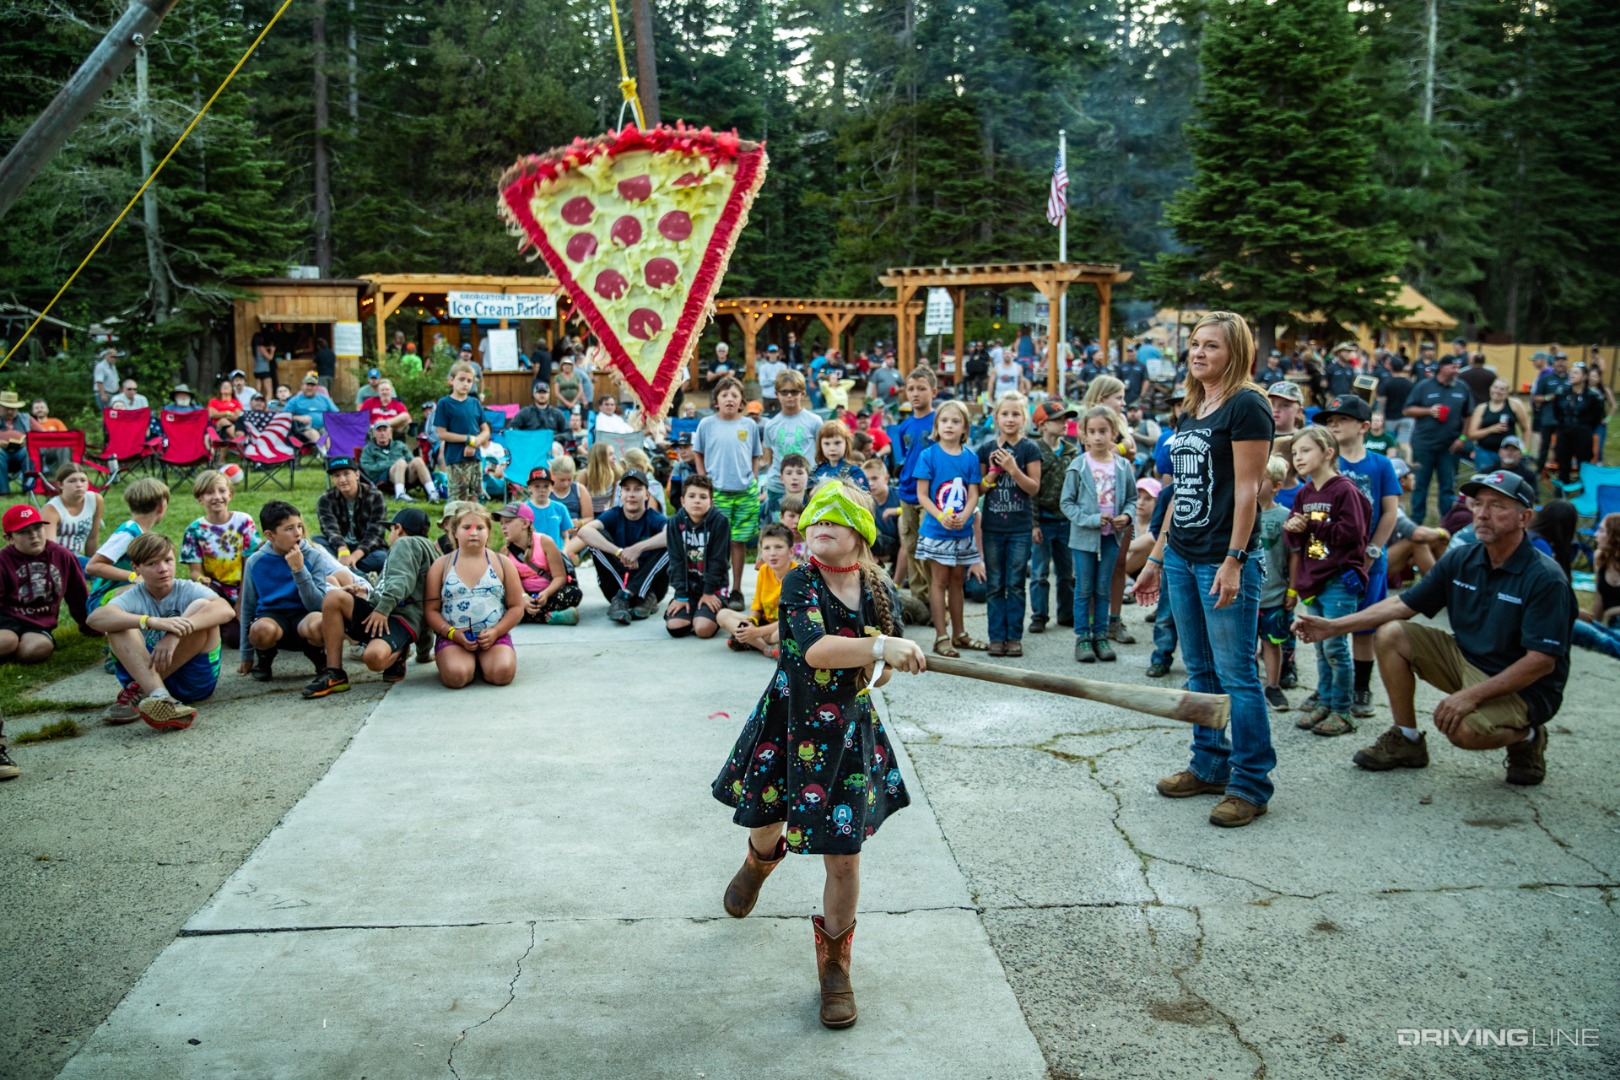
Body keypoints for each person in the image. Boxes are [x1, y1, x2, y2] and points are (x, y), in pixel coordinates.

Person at [711, 480, 925, 1030]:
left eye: (836, 520)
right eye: (815, 520)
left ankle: (834, 964)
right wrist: (880, 647)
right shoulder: (800, 581)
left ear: (860, 535)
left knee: (844, 854)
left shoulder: (879, 589)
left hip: (847, 737)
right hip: (789, 723)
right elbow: (815, 649)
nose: (820, 527)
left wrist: (885, 661)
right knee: (766, 820)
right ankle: (761, 860)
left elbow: (881, 667)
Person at [1295, 471, 1572, 787]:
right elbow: (1402, 605)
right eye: (1478, 503)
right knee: (1392, 633)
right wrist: (1334, 626)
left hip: (1525, 686)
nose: (1482, 514)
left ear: (1525, 517)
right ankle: (1408, 738)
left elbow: (1541, 661)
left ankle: (1529, 736)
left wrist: (1469, 697)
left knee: (1463, 731)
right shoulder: (1463, 558)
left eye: (1497, 506)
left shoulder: (1545, 578)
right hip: (1468, 660)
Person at [1134, 311, 1276, 829]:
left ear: (1235, 352)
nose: (1198, 353)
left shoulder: (1248, 405)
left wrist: (1235, 561)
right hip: (1181, 555)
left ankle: (1251, 782)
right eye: (1194, 344)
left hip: (1223, 556)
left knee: (1238, 674)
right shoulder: (1194, 407)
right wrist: (1155, 555)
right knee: (1200, 671)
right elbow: (1178, 492)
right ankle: (1210, 763)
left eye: (1211, 346)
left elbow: (1248, 491)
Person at [86, 533, 233, 730]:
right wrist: (151, 621)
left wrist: (174, 634)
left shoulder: (188, 589)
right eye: (152, 563)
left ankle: (145, 690)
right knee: (118, 625)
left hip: (191, 682)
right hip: (147, 678)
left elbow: (226, 610)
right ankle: (160, 695)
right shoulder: (133, 596)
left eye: (168, 560)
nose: (163, 569)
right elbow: (95, 619)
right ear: (136, 568)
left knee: (201, 607)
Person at [1316, 394, 1401, 721]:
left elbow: (1390, 513)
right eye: (1329, 420)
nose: (1333, 424)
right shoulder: (1325, 461)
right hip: (1328, 562)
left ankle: (1360, 688)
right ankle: (1331, 686)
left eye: (1342, 420)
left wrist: (1373, 550)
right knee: (1328, 625)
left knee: (1363, 629)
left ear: (1364, 426)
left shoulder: (1380, 465)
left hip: (1367, 562)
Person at [1283, 426, 1371, 737]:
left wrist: (1312, 527)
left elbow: (1353, 534)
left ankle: (1342, 710)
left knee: (1335, 646)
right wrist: (1293, 526)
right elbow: (1294, 533)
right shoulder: (1305, 493)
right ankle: (1325, 700)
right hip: (1312, 578)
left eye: (1305, 451)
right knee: (1319, 647)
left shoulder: (1344, 490)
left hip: (1338, 579)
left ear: (1328, 453)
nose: (1298, 458)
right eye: (1295, 453)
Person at [238, 500, 355, 682]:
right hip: (272, 615)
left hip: (305, 615)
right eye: (289, 528)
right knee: (260, 630)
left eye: (299, 526)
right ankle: (265, 657)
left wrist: (299, 570)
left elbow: (317, 603)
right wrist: (246, 654)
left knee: (322, 624)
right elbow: (248, 605)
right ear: (270, 535)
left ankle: (317, 655)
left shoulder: (313, 556)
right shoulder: (255, 561)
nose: (298, 533)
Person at [1063, 406, 1137, 663]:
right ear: (1083, 435)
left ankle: (1101, 635)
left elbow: (1131, 499)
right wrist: (1093, 519)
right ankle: (1083, 637)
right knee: (1084, 588)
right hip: (1084, 538)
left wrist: (1126, 517)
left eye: (1103, 431)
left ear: (1113, 433)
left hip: (1111, 538)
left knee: (1103, 588)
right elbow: (1067, 503)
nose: (1097, 437)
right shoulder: (1078, 465)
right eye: (1092, 432)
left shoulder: (1122, 466)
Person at [914, 399, 985, 656]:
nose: (949, 425)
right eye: (944, 420)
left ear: (964, 427)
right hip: (937, 531)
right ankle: (941, 636)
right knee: (939, 581)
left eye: (955, 421)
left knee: (958, 581)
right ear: (937, 425)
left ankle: (960, 633)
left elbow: (974, 494)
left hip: (962, 532)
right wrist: (941, 515)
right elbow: (922, 494)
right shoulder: (928, 455)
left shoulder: (970, 457)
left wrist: (965, 516)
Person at [425, 503, 523, 688]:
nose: (473, 532)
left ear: (488, 532)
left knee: (502, 674)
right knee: (456, 677)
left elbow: (517, 607)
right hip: (454, 637)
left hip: (494, 637)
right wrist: (452, 634)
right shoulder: (441, 565)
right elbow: (431, 610)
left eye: (480, 527)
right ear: (454, 531)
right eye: (466, 527)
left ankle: (486, 662)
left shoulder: (503, 563)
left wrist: (495, 632)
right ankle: (464, 662)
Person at [975, 392, 1041, 657]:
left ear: (1024, 418)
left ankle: (1014, 636)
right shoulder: (985, 449)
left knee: (1014, 582)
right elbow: (979, 489)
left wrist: (1014, 469)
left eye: (1016, 414)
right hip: (992, 528)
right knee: (995, 583)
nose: (1010, 419)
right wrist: (993, 471)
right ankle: (996, 636)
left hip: (1019, 528)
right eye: (1005, 414)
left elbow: (1034, 488)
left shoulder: (1030, 449)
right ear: (996, 418)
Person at [693, 376, 762, 608]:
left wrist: (752, 477)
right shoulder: (707, 424)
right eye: (724, 395)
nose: (729, 399)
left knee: (738, 542)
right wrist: (703, 478)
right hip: (718, 491)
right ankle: (717, 587)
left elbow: (755, 454)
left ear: (742, 400)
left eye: (734, 395)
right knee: (717, 542)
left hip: (744, 491)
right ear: (716, 401)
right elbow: (698, 452)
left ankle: (736, 590)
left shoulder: (749, 425)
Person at [0, 503, 93, 666]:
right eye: (24, 532)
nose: (33, 535)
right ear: (8, 538)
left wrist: (90, 626)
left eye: (37, 528)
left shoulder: (62, 555)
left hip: (38, 622)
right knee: (7, 641)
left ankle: (9, 657)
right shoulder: (3, 561)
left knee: (38, 648)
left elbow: (78, 595)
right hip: (6, 619)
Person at [575, 468, 670, 622]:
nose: (631, 494)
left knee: (670, 542)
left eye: (637, 489)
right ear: (620, 494)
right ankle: (630, 597)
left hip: (652, 585)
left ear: (647, 494)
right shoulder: (614, 514)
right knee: (597, 537)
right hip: (615, 584)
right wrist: (619, 552)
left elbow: (674, 534)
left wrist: (638, 548)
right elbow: (584, 532)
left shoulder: (653, 517)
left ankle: (629, 594)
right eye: (626, 489)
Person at [179, 469, 258, 650]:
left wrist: (241, 603)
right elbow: (195, 571)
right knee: (234, 638)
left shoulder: (244, 521)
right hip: (216, 590)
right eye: (209, 492)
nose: (217, 497)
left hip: (245, 585)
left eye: (222, 491)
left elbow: (251, 564)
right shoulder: (194, 530)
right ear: (200, 499)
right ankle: (218, 622)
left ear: (230, 494)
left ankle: (227, 620)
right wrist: (200, 579)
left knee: (245, 636)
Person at [1404, 354, 1474, 524]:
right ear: (1442, 368)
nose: (1457, 371)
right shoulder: (1424, 386)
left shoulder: (1462, 388)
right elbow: (1407, 410)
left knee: (1447, 486)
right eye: (1453, 367)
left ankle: (1447, 522)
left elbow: (1469, 415)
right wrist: (1428, 411)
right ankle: (1416, 521)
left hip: (1450, 447)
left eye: (1458, 367)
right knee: (1421, 484)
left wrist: (1463, 438)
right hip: (1424, 445)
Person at [892, 367, 939, 623]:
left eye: (921, 388)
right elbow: (904, 458)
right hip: (906, 491)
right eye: (911, 389)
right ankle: (920, 603)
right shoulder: (904, 426)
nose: (916, 393)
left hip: (930, 494)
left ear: (933, 391)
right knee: (911, 546)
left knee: (928, 548)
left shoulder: (938, 421)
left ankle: (936, 601)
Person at [85, 476, 170, 610]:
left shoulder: (141, 534)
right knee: (145, 590)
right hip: (101, 602)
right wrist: (133, 576)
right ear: (161, 507)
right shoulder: (128, 533)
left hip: (121, 596)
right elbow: (92, 566)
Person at [1029, 401, 1077, 635]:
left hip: (1067, 520)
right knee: (1039, 573)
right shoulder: (1034, 452)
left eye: (1064, 419)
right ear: (1042, 424)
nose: (1064, 423)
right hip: (1044, 520)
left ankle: (1066, 614)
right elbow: (1032, 493)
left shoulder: (1072, 451)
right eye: (1058, 419)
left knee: (1066, 572)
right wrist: (1034, 523)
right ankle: (1039, 615)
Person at [664, 475, 732, 638]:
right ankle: (695, 610)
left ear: (711, 501)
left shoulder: (720, 522)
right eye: (692, 496)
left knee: (703, 629)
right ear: (682, 501)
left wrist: (709, 592)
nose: (697, 501)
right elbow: (676, 561)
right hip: (689, 588)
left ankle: (710, 611)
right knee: (675, 627)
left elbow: (719, 561)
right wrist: (680, 595)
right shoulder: (674, 523)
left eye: (703, 497)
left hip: (713, 588)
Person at [496, 502, 581, 625]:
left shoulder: (545, 542)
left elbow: (560, 577)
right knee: (501, 602)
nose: (503, 527)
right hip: (523, 596)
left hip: (548, 594)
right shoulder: (505, 551)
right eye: (501, 523)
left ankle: (525, 616)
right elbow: (512, 582)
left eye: (508, 521)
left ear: (525, 523)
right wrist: (524, 597)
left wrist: (546, 594)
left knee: (573, 593)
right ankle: (549, 617)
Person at [1255, 456, 1292, 710]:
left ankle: (1273, 686)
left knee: (1272, 643)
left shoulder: (1285, 518)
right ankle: (1248, 688)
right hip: (1245, 595)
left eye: (1261, 478)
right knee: (1243, 646)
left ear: (1276, 486)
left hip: (1274, 594)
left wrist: (1293, 589)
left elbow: (1297, 556)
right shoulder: (1240, 511)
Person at [314, 457, 390, 574]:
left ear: (357, 475)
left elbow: (375, 534)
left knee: (382, 559)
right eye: (336, 476)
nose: (342, 479)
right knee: (315, 543)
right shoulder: (325, 500)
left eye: (346, 474)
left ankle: (339, 570)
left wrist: (354, 557)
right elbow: (330, 530)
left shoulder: (375, 497)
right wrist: (343, 551)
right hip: (339, 548)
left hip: (366, 550)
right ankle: (361, 575)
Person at [435, 361, 491, 503]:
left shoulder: (475, 403)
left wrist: (475, 442)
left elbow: (485, 430)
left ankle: (472, 524)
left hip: (475, 457)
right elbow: (442, 433)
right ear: (451, 380)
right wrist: (468, 439)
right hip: (456, 458)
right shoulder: (444, 403)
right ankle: (454, 523)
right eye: (461, 379)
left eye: (469, 381)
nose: (465, 384)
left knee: (474, 496)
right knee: (458, 499)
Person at [1550, 364, 1608, 486]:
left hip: (1583, 433)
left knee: (1584, 462)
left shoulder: (1593, 395)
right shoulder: (1562, 392)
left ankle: (1585, 488)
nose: (1572, 375)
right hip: (1564, 433)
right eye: (1571, 372)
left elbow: (1597, 416)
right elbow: (1556, 412)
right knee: (1563, 461)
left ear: (1584, 376)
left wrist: (1584, 428)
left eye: (1576, 373)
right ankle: (1562, 488)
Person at [1575, 513, 1620, 659]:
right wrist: (1595, 622)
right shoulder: (1600, 558)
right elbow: (1599, 597)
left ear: (1615, 536)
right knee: (1574, 625)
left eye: (1601, 531)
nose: (1595, 535)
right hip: (1611, 627)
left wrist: (1612, 611)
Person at [41, 461, 103, 565]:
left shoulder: (95, 500)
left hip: (78, 557)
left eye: (83, 480)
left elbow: (93, 536)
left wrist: (93, 565)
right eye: (72, 481)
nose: (79, 485)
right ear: (60, 484)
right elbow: (50, 548)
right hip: (58, 561)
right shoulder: (51, 510)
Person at [363, 420, 439, 501]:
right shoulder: (368, 449)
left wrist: (405, 466)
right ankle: (400, 494)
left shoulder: (399, 445)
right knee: (400, 462)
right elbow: (367, 468)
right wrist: (388, 464)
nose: (382, 433)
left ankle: (432, 493)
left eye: (385, 430)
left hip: (406, 474)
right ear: (374, 433)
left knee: (417, 460)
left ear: (390, 432)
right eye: (379, 430)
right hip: (385, 478)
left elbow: (411, 460)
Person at [1465, 378, 1531, 471]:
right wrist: (1491, 429)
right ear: (1490, 389)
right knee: (1487, 481)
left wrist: (1524, 450)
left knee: (1508, 481)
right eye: (1495, 387)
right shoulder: (1482, 408)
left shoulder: (1514, 405)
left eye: (1502, 389)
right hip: (1486, 452)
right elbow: (1472, 434)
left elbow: (1526, 429)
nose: (1498, 391)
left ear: (1507, 392)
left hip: (1509, 452)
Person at [519, 466, 573, 548]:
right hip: (533, 554)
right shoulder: (524, 509)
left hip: (556, 554)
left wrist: (564, 554)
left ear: (552, 487)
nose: (542, 490)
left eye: (546, 486)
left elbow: (566, 537)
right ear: (529, 488)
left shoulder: (560, 508)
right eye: (537, 486)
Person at [811, 419, 869, 492]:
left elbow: (866, 499)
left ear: (846, 443)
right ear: (820, 445)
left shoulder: (854, 472)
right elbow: (806, 501)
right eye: (827, 443)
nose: (832, 448)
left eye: (837, 443)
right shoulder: (815, 472)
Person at [0, 390, 36, 494]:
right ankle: (3, 492)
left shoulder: (26, 418)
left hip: (22, 453)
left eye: (13, 408)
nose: (10, 411)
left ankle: (29, 489)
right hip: (2, 455)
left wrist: (28, 441)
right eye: (7, 408)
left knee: (29, 452)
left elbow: (42, 435)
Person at [285, 374, 339, 441]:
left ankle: (324, 450)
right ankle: (321, 449)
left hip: (324, 428)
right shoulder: (294, 401)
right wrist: (298, 418)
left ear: (316, 387)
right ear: (302, 386)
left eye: (312, 385)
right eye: (307, 385)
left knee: (328, 436)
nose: (310, 388)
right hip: (304, 429)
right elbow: (284, 417)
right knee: (314, 434)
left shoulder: (324, 399)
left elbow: (337, 414)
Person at [207, 378, 242, 445]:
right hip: (216, 427)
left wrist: (219, 414)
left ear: (232, 390)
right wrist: (228, 413)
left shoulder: (236, 402)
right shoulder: (213, 401)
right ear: (220, 389)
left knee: (225, 428)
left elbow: (237, 417)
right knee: (223, 420)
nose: (225, 387)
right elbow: (211, 415)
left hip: (231, 426)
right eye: (223, 386)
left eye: (228, 386)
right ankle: (239, 442)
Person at [92, 348, 121, 413]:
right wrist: (103, 394)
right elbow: (99, 382)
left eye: (115, 357)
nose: (114, 359)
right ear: (106, 356)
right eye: (112, 356)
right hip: (104, 393)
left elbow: (116, 380)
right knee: (107, 414)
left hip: (113, 394)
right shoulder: (101, 366)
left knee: (114, 414)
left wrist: (120, 392)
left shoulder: (113, 366)